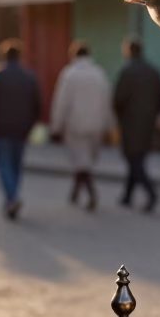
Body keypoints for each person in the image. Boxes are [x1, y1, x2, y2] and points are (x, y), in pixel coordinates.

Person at [0, 39, 41, 220]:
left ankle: (12, 197)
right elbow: (37, 104)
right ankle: (12, 196)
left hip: (1, 127)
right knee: (16, 163)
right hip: (22, 128)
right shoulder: (29, 77)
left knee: (4, 163)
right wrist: (32, 122)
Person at [50, 41, 112, 211]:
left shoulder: (69, 74)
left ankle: (91, 194)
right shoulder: (99, 74)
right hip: (96, 124)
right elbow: (106, 101)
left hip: (75, 125)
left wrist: (56, 126)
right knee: (85, 160)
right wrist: (108, 124)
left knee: (81, 162)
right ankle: (75, 193)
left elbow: (62, 103)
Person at [113, 39, 160, 212]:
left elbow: (118, 99)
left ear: (129, 51)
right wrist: (153, 113)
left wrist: (119, 116)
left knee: (134, 159)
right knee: (137, 158)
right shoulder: (153, 71)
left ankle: (151, 192)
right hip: (148, 123)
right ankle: (127, 196)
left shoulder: (127, 72)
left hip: (130, 123)